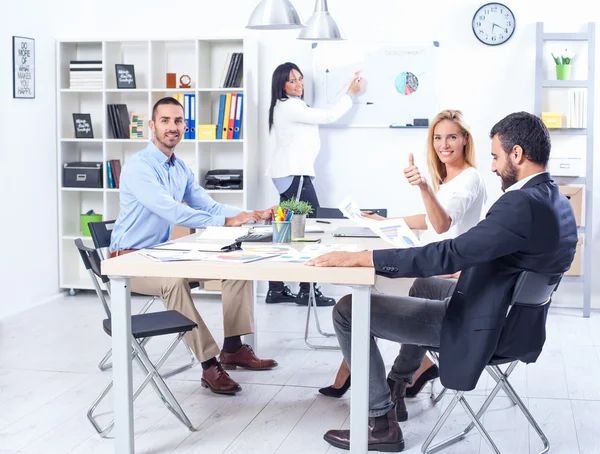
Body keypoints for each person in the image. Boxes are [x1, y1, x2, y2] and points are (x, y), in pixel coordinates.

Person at [306, 111, 578, 452]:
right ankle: (397, 385)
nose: (492, 167)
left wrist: (365, 258)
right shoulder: (556, 200)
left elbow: (448, 252)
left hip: (481, 324)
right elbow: (507, 258)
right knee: (422, 286)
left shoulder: (519, 203)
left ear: (517, 155)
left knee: (347, 310)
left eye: (496, 157)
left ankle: (379, 423)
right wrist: (471, 265)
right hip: (512, 318)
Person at [110, 97, 278, 396]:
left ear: (184, 126)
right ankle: (209, 364)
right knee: (173, 283)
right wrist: (227, 222)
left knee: (236, 268)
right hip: (130, 261)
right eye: (165, 121)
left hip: (163, 255)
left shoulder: (180, 168)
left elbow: (207, 204)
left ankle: (233, 348)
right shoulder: (139, 168)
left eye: (177, 121)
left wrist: (250, 215)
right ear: (152, 126)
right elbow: (173, 211)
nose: (172, 127)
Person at [319, 109, 487, 402]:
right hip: (437, 265)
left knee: (366, 289)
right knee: (369, 283)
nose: (443, 144)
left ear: (464, 140)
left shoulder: (469, 178)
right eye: (437, 137)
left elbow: (441, 223)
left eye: (451, 137)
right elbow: (429, 218)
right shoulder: (450, 177)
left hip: (446, 274)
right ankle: (413, 366)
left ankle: (374, 373)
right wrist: (384, 222)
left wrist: (422, 186)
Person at [265, 62, 365, 306]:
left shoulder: (291, 105)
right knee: (308, 229)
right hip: (295, 175)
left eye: (300, 78)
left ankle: (278, 289)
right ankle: (305, 290)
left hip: (293, 174)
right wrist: (351, 94)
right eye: (292, 80)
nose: (299, 84)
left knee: (288, 232)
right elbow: (328, 115)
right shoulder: (289, 106)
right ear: (282, 85)